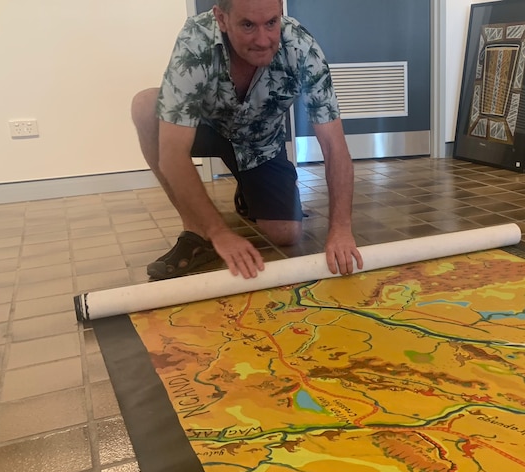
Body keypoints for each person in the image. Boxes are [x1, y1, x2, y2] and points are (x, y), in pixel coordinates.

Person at [131, 0, 363, 280]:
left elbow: (334, 146)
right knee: (145, 106)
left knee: (287, 233)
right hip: (204, 128)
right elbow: (172, 154)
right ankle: (196, 232)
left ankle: (247, 193)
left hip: (259, 143)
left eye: (271, 23)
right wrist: (219, 233)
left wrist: (340, 228)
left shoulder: (302, 48)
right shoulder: (195, 40)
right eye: (248, 25)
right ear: (221, 19)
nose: (263, 40)